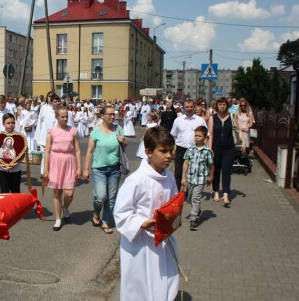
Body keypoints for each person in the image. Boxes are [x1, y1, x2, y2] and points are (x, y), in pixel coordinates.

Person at [113, 126, 180, 301]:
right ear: (148, 152)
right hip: (140, 242)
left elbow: (173, 204)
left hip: (162, 239)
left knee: (166, 278)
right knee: (139, 284)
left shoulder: (170, 177)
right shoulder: (136, 180)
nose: (169, 156)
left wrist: (172, 217)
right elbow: (121, 212)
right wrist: (141, 223)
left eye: (171, 151)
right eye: (163, 151)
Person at [83, 106, 126, 234]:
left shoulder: (118, 129)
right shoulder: (96, 131)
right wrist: (86, 169)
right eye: (110, 114)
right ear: (102, 116)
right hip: (99, 169)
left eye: (114, 114)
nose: (113, 117)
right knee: (101, 197)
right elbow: (89, 152)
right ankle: (96, 212)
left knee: (111, 198)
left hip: (114, 168)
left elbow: (125, 145)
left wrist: (123, 141)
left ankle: (106, 221)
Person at [43, 106, 82, 231]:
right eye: (62, 117)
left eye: (66, 116)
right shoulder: (51, 132)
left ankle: (65, 207)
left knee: (69, 193)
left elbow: (77, 150)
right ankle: (58, 219)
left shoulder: (73, 131)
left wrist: (79, 167)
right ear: (57, 117)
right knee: (57, 192)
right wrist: (46, 169)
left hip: (69, 162)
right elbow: (47, 151)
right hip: (55, 162)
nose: (65, 119)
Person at [208, 97, 241, 207]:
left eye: (224, 104)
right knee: (216, 171)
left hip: (229, 148)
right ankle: (216, 192)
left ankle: (226, 194)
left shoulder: (232, 116)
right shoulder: (213, 118)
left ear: (227, 106)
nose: (222, 106)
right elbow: (210, 134)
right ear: (216, 106)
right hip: (216, 148)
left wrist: (244, 142)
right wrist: (209, 149)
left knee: (226, 171)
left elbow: (238, 129)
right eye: (220, 104)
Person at [181, 125, 214, 230]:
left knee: (196, 198)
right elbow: (186, 163)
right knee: (190, 199)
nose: (197, 138)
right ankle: (198, 210)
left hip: (200, 179)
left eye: (199, 136)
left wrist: (211, 177)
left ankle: (193, 219)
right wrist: (183, 177)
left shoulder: (207, 152)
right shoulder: (190, 150)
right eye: (195, 135)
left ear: (205, 138)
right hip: (190, 178)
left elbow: (211, 165)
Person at [170, 99, 207, 191]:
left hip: (195, 149)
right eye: (187, 107)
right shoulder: (178, 120)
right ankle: (177, 192)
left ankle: (190, 192)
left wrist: (205, 149)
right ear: (184, 107)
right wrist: (173, 149)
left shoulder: (200, 120)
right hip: (180, 148)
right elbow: (174, 135)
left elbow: (206, 136)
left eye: (191, 106)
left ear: (194, 106)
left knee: (192, 172)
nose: (189, 108)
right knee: (178, 172)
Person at [0, 113, 24, 193]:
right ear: (3, 123)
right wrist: (1, 164)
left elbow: (22, 154)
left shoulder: (19, 138)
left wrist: (14, 164)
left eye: (12, 123)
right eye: (8, 123)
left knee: (15, 191)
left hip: (16, 169)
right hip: (2, 169)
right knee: (4, 191)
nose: (10, 125)